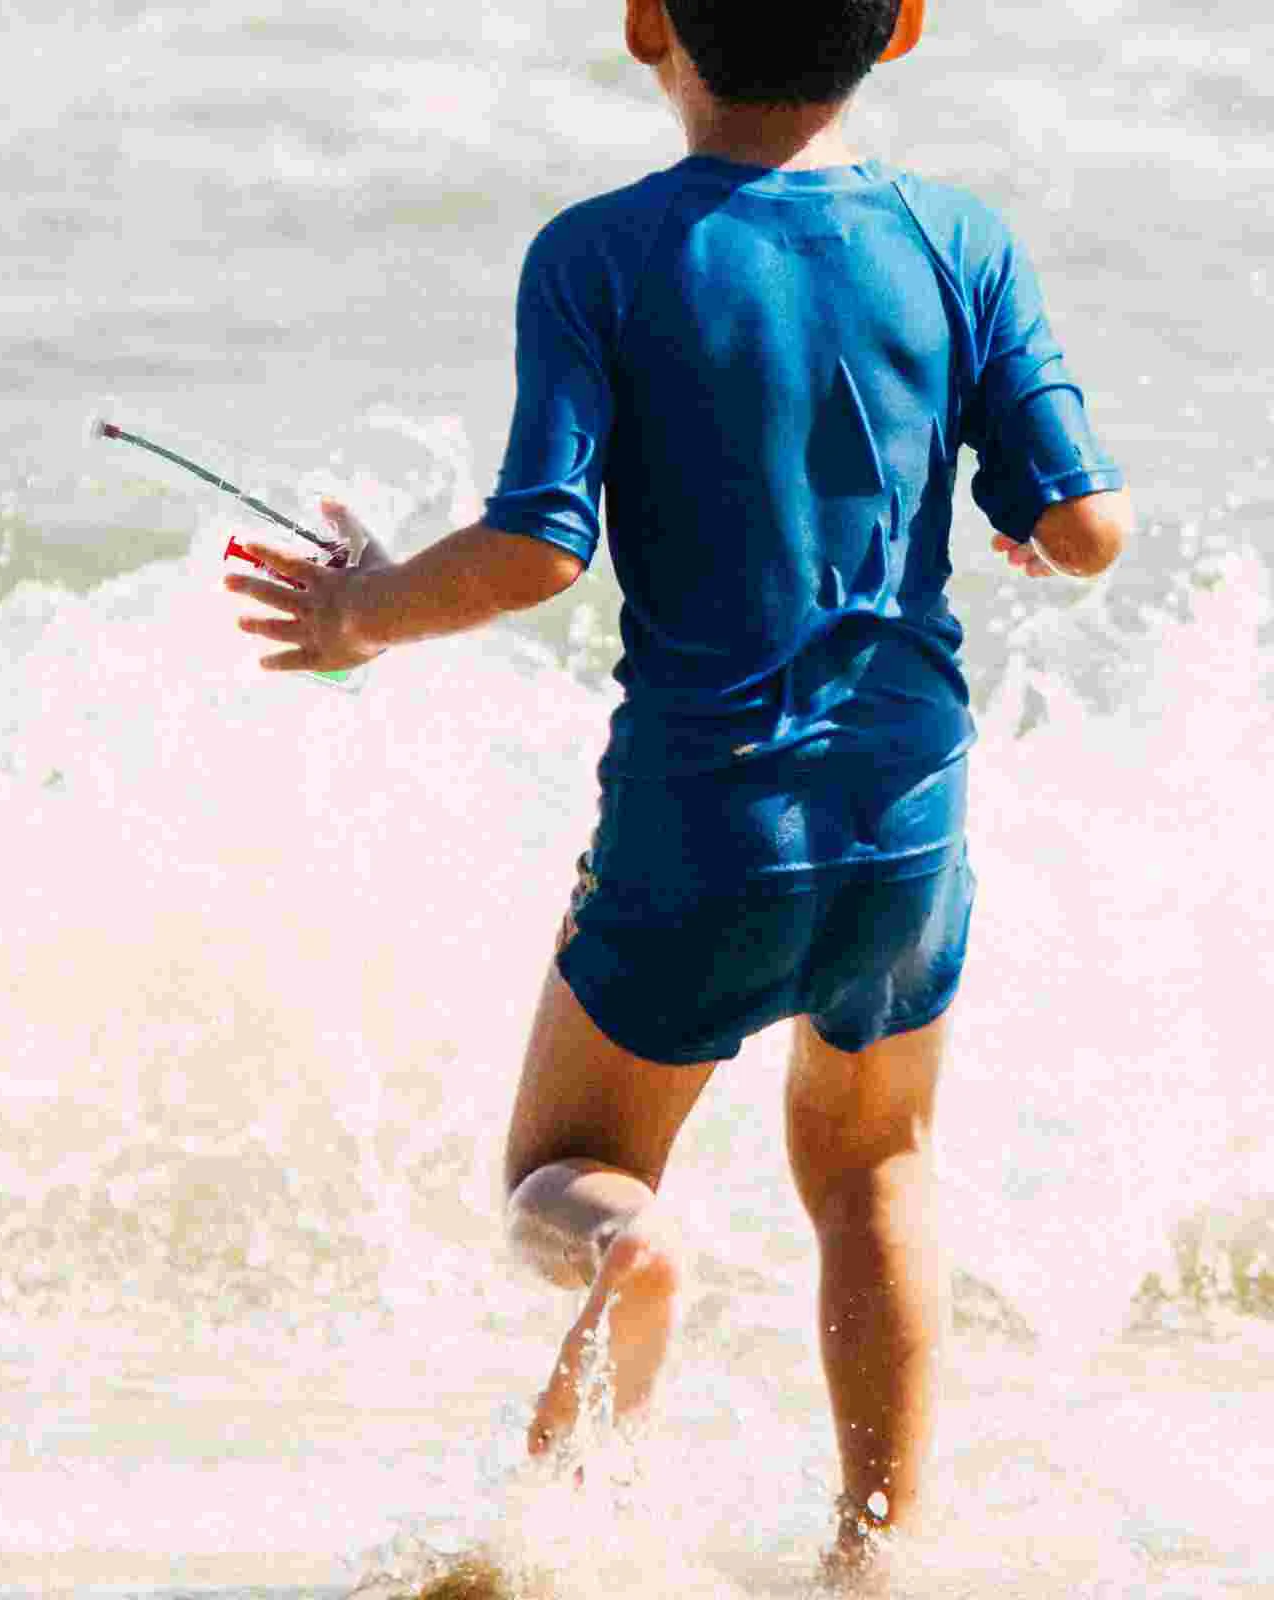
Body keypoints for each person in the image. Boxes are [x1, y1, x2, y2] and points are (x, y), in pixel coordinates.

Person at [224, 0, 1132, 1583]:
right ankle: (881, 1558)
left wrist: (360, 612)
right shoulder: (958, 238)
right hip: (910, 813)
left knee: (563, 1180)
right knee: (873, 1164)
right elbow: (1087, 526)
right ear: (902, 27)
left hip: (705, 821)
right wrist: (1033, 529)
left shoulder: (602, 254)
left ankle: (626, 1270)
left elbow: (538, 545)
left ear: (648, 21)